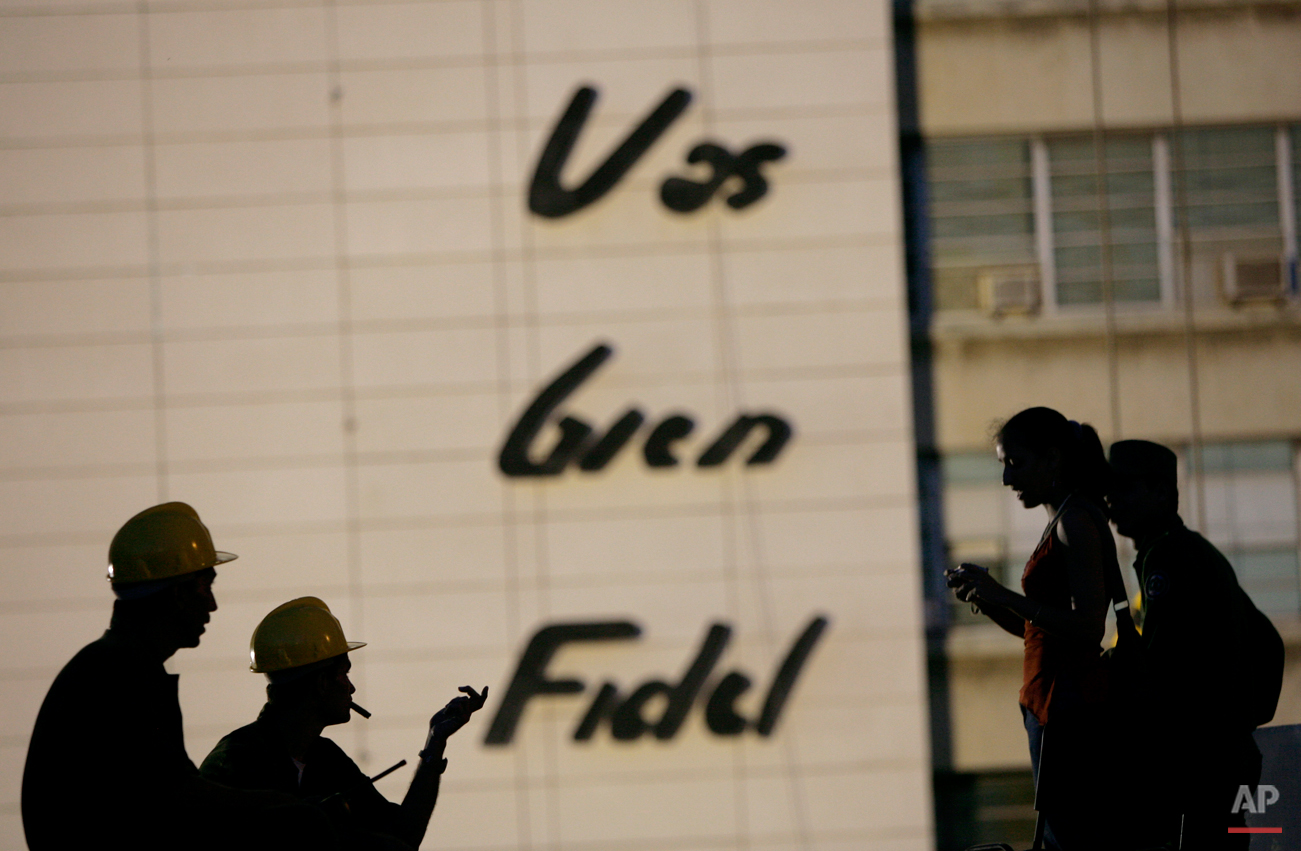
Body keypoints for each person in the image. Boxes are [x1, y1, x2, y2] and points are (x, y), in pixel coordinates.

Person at [21, 502, 331, 851]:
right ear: (178, 593)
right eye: (205, 586)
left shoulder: (108, 666)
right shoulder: (125, 675)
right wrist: (281, 806)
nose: (212, 605)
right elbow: (179, 796)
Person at [945, 407, 1119, 850]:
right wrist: (988, 598)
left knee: (1069, 838)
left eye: (1015, 464)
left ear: (1053, 458)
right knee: (1062, 834)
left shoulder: (1075, 521)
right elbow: (1039, 632)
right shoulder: (1063, 520)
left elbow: (1087, 628)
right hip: (1052, 704)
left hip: (1069, 706)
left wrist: (1003, 595)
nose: (1007, 479)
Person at [201, 596, 487, 850]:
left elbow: (402, 836)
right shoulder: (236, 763)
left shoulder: (326, 760)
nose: (351, 688)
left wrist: (435, 744)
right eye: (344, 674)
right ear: (322, 683)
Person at [1108, 439, 1282, 850]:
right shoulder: (1181, 551)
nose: (1112, 499)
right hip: (1219, 753)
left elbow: (1161, 664)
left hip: (1200, 757)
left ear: (1162, 492)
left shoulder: (1170, 557)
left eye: (1126, 488)